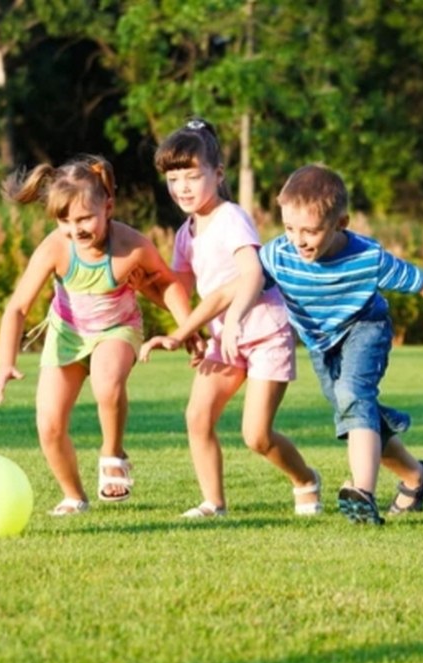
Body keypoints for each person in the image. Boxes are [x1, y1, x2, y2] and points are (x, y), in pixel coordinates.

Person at [160, 163, 423, 525]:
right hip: (321, 343)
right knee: (355, 414)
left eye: (310, 231)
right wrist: (184, 331)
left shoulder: (366, 257)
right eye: (289, 228)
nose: (298, 240)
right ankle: (416, 476)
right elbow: (227, 292)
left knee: (353, 397)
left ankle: (362, 493)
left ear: (340, 223)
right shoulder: (280, 253)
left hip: (365, 327)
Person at [138, 119, 322, 519]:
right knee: (197, 416)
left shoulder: (231, 217)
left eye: (192, 175)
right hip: (225, 338)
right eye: (173, 178)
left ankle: (305, 479)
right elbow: (179, 291)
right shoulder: (186, 233)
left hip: (264, 332)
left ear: (217, 174)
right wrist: (148, 294)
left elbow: (252, 273)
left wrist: (234, 318)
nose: (182, 187)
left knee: (256, 436)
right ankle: (213, 503)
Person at [0, 154, 193, 516]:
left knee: (107, 383)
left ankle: (112, 452)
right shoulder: (56, 247)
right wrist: (5, 363)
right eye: (65, 220)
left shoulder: (131, 246)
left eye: (85, 218)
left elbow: (168, 286)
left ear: (109, 207)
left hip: (117, 330)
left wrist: (188, 328)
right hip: (67, 335)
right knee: (49, 425)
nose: (76, 229)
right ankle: (74, 495)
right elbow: (17, 308)